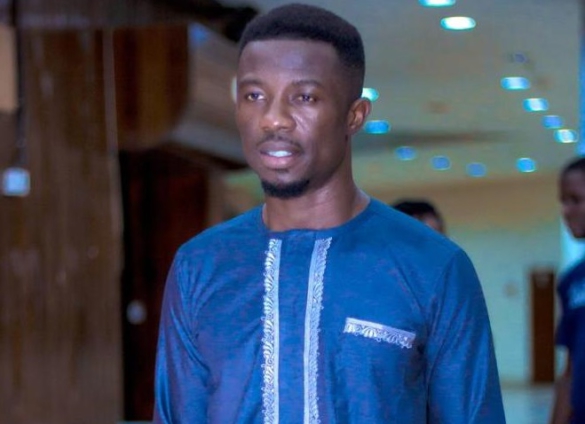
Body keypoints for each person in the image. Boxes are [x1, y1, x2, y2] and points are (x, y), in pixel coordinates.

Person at [152, 3, 505, 423]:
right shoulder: (200, 265)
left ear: (354, 116)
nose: (273, 119)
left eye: (304, 97)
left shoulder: (432, 267)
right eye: (254, 95)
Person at [550, 156, 585, 424]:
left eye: (576, 200)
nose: (567, 210)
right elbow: (570, 369)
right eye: (564, 201)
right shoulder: (572, 281)